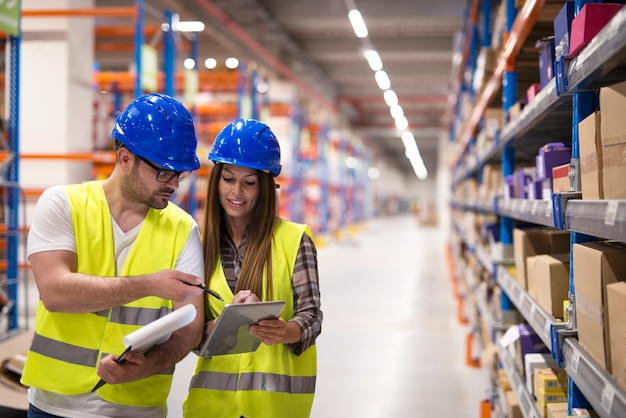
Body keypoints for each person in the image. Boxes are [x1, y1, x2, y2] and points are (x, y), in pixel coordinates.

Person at [21, 93, 206, 418]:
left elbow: (190, 324)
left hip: (138, 408)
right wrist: (149, 284)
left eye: (181, 174)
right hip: (54, 407)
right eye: (164, 172)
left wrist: (151, 363)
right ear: (124, 159)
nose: (174, 184)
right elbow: (56, 293)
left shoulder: (183, 228)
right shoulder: (63, 204)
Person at [183, 119, 323, 418]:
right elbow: (192, 335)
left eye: (249, 183)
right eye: (229, 179)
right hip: (212, 408)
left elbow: (312, 316)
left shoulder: (294, 239)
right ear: (216, 180)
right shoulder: (199, 244)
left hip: (272, 407)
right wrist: (218, 326)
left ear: (265, 187)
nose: (237, 191)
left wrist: (285, 331)